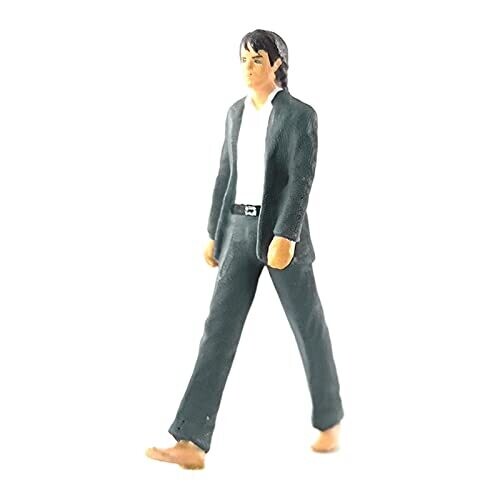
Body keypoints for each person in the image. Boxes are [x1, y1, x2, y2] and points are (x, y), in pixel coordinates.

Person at [146, 29, 344, 470]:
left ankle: (330, 418)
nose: (248, 68)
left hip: (280, 236)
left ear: (277, 64)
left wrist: (286, 234)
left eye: (257, 60)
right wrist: (214, 232)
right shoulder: (235, 113)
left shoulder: (299, 115)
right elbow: (225, 173)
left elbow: (301, 178)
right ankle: (190, 439)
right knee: (217, 330)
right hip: (237, 230)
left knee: (307, 324)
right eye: (244, 60)